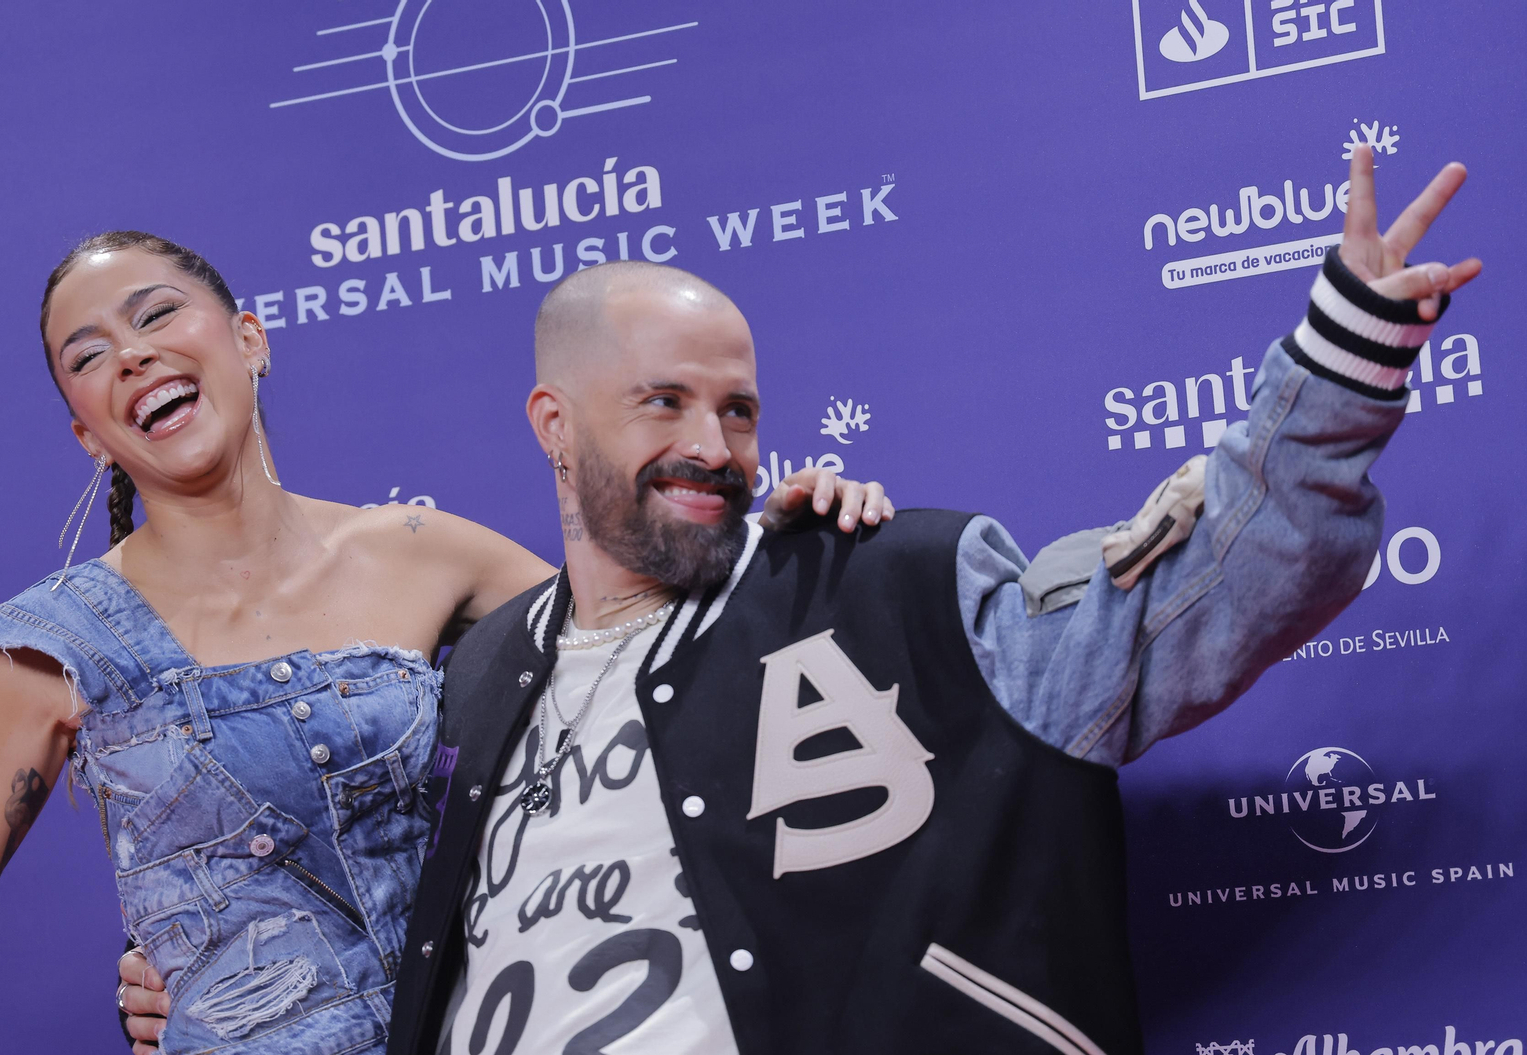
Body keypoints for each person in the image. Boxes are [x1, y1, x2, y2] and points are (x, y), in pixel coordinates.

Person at [120, 146, 1479, 1052]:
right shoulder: (474, 682)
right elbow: (389, 928)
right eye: (663, 400)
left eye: (740, 406)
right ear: (552, 420)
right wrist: (217, 982)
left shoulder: (881, 584)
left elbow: (1197, 591)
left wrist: (1344, 353)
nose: (715, 440)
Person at [0, 232, 888, 1055]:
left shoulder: (428, 556)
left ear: (250, 340)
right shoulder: (50, 648)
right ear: (87, 433)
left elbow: (649, 640)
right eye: (88, 355)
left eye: (157, 315)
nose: (131, 356)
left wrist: (786, 543)